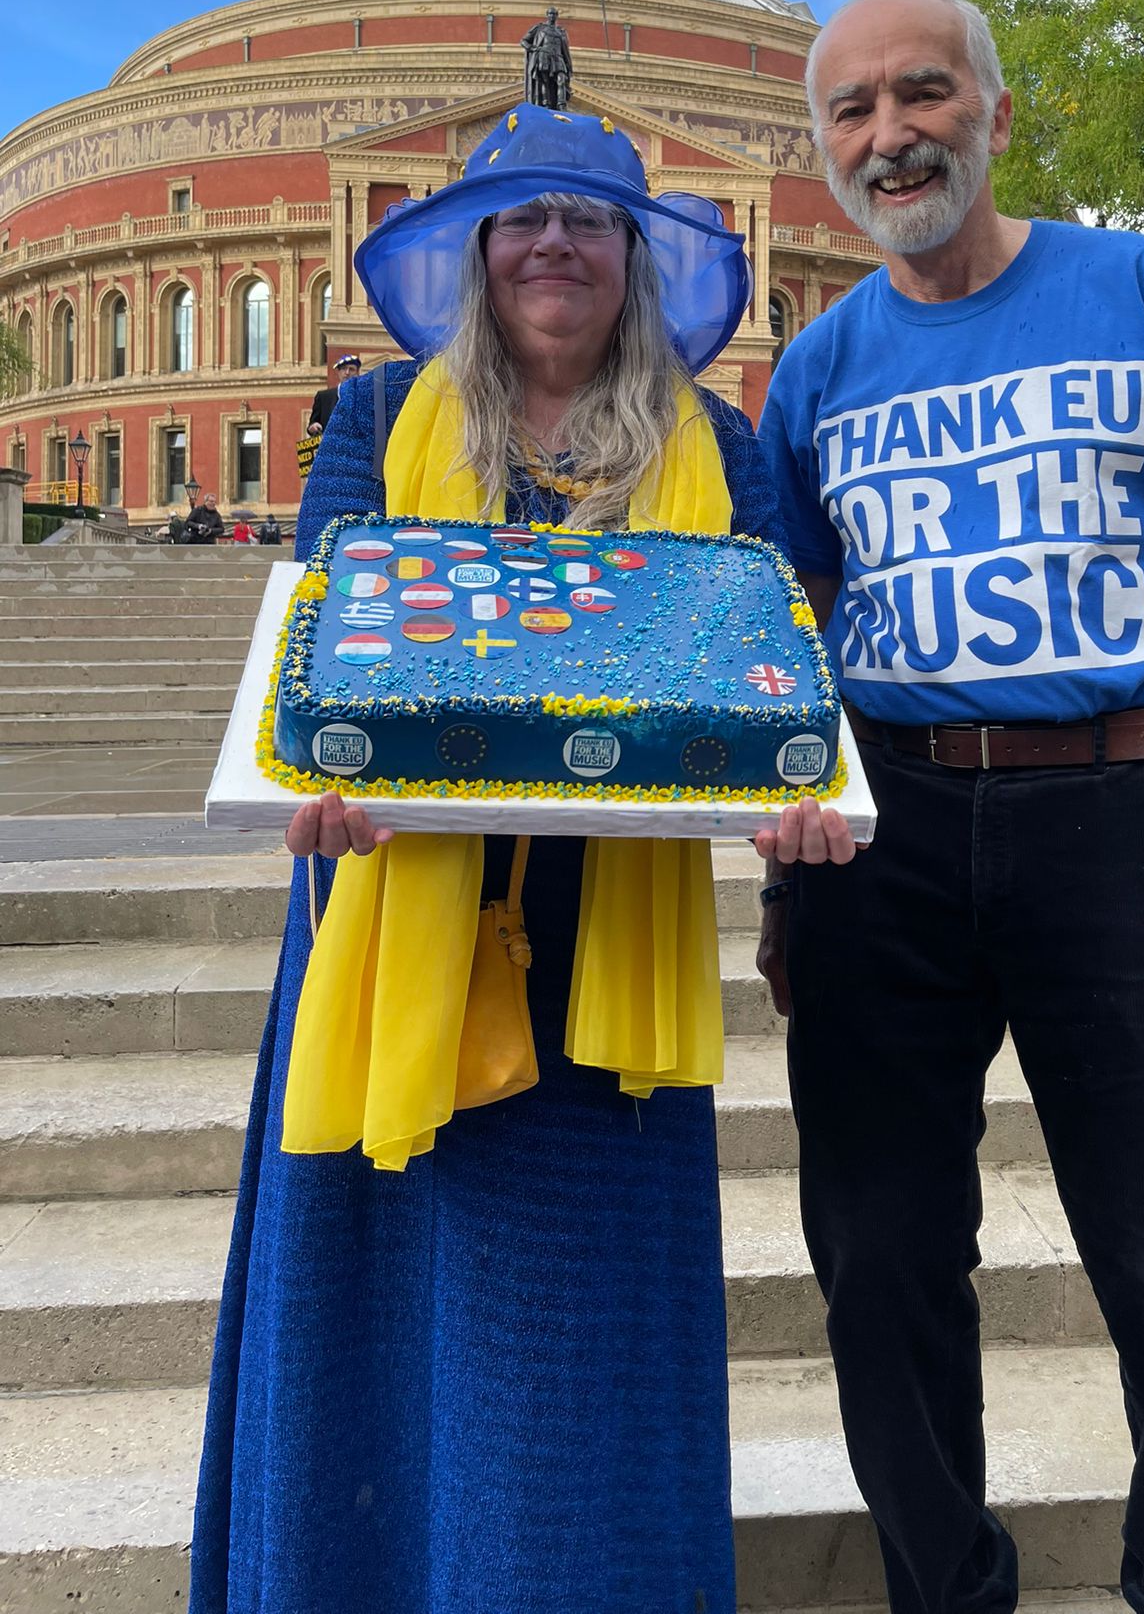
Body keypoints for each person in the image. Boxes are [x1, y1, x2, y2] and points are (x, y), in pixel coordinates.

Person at [753, 0, 1144, 1614]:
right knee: (879, 1268)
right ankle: (950, 1587)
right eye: (849, 111)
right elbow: (791, 628)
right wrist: (792, 884)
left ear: (992, 110)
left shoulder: (1136, 288)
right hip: (888, 838)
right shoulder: (813, 372)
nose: (889, 133)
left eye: (920, 94)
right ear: (822, 150)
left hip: (1124, 814)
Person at [191, 106, 768, 1614]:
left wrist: (804, 793)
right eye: (524, 218)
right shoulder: (382, 420)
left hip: (609, 949)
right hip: (396, 937)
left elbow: (784, 662)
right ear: (479, 254)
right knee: (389, 1301)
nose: (555, 245)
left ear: (638, 259)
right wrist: (307, 764)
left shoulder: (724, 452)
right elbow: (323, 620)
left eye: (588, 220)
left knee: (582, 1333)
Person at [306, 352, 361, 436]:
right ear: (338, 372)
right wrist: (313, 427)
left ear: (357, 373)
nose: (347, 372)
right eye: (344, 369)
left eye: (351, 369)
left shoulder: (364, 397)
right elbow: (312, 424)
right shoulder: (323, 397)